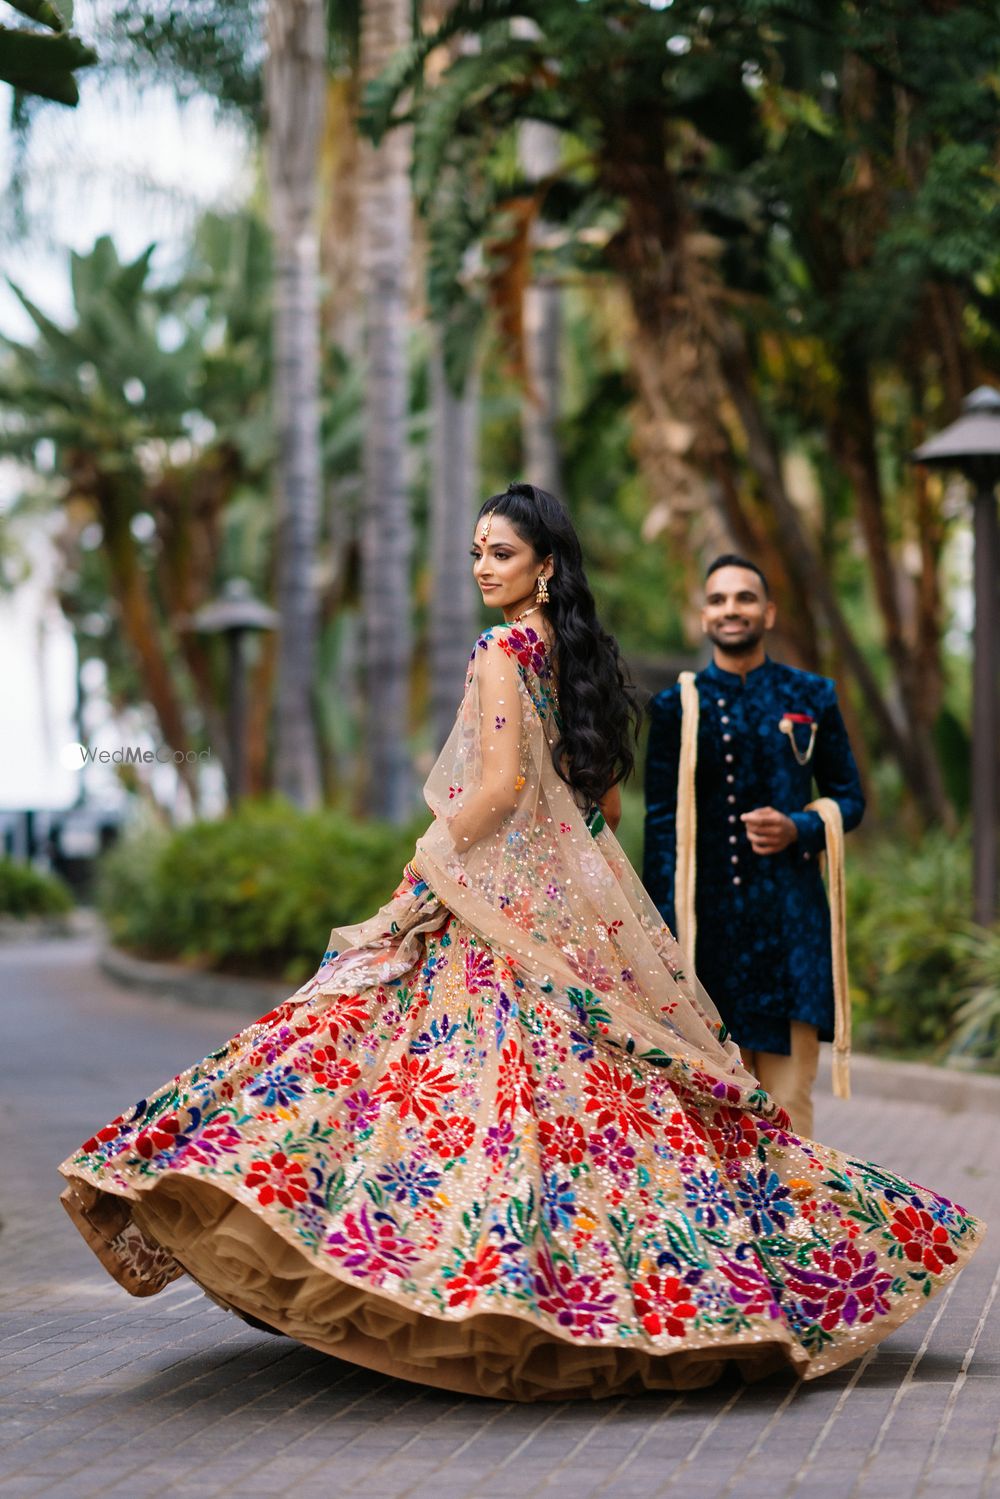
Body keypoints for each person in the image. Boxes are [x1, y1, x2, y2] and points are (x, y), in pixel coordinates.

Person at [61, 489, 980, 1402]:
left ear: (544, 565)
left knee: (379, 1060)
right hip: (557, 912)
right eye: (476, 552)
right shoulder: (570, 657)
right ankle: (647, 1281)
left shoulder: (502, 649)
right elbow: (599, 804)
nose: (482, 568)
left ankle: (447, 1274)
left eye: (500, 552)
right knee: (582, 1109)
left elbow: (500, 790)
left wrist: (428, 860)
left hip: (499, 907)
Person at [643, 555, 865, 1137]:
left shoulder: (811, 696)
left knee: (789, 1115)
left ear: (767, 612)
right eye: (717, 600)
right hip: (707, 945)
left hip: (792, 939)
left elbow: (849, 797)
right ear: (703, 617)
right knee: (717, 1121)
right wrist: (665, 949)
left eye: (743, 598)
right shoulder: (675, 708)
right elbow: (661, 828)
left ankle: (798, 1226)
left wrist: (802, 826)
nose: (730, 609)